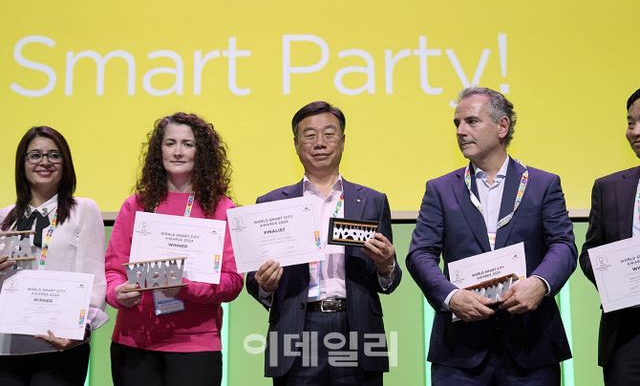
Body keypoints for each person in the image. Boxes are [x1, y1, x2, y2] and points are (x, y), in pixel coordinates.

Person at [406, 87, 577, 385]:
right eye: (457, 123)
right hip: (460, 352)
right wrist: (451, 297)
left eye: (471, 121)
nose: (461, 131)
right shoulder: (440, 189)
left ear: (502, 126)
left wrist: (540, 284)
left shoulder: (542, 184)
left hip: (531, 346)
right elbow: (420, 253)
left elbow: (562, 245)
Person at [246, 101, 402, 385]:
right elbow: (254, 282)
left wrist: (387, 264)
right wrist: (265, 286)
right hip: (295, 329)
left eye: (329, 134)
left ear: (343, 140)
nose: (320, 142)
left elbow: (389, 283)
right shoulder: (271, 204)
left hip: (357, 327)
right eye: (309, 135)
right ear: (296, 144)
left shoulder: (372, 201)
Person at [105, 112, 242, 386]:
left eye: (187, 144)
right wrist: (117, 293)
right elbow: (113, 271)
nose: (178, 152)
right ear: (159, 150)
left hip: (196, 344)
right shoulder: (136, 204)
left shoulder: (222, 208)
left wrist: (184, 287)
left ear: (201, 153)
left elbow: (232, 282)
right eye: (170, 143)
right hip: (134, 341)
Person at [0, 126, 107, 386]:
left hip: (60, 342)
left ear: (65, 162)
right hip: (8, 344)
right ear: (22, 163)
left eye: (54, 155)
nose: (45, 162)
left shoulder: (83, 210)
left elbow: (93, 277)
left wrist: (82, 328)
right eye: (35, 155)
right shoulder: (5, 217)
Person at [580, 88, 640, 385]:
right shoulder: (609, 188)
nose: (635, 131)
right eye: (630, 122)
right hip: (626, 335)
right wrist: (615, 282)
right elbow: (589, 254)